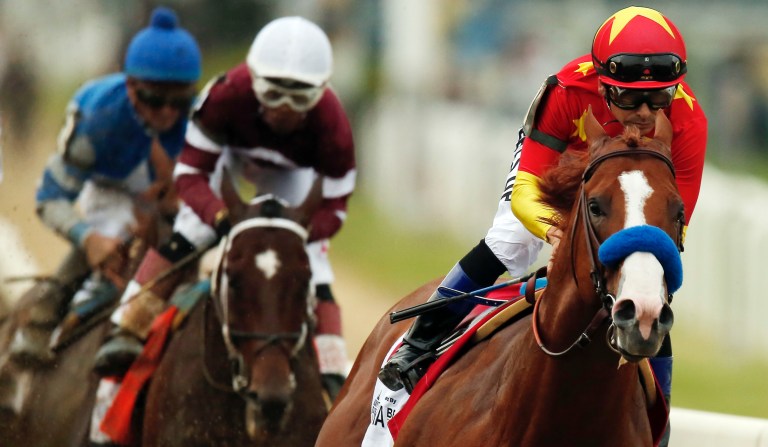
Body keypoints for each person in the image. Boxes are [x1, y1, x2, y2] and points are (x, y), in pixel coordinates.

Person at [379, 7, 706, 443]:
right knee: (509, 242)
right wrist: (560, 236)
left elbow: (673, 224)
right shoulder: (567, 90)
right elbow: (525, 195)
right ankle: (419, 343)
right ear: (603, 85)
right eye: (629, 99)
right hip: (564, 162)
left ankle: (656, 423)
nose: (645, 113)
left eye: (659, 98)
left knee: (651, 281)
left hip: (633, 184)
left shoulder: (689, 120)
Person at [92, 16, 357, 400]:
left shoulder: (334, 125)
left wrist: (297, 231)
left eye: (299, 99)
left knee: (313, 259)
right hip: (228, 156)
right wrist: (218, 215)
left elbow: (335, 207)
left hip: (291, 173)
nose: (283, 110)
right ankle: (127, 325)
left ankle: (332, 369)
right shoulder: (226, 95)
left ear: (321, 92)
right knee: (192, 230)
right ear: (253, 79)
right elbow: (191, 174)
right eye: (273, 94)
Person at [8, 6, 202, 367]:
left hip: (173, 198)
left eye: (178, 101)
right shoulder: (97, 118)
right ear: (130, 87)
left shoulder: (202, 118)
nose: (166, 113)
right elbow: (49, 198)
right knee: (113, 228)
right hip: (109, 191)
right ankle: (44, 316)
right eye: (154, 99)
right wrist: (88, 239)